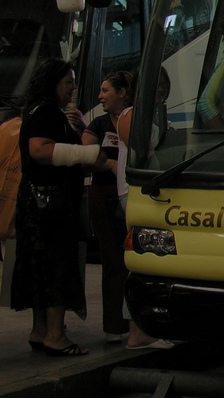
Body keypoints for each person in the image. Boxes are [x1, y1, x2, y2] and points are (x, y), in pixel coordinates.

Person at [10, 59, 106, 357]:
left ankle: (40, 331)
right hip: (51, 206)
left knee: (39, 269)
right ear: (52, 83)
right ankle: (56, 335)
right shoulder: (48, 112)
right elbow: (39, 150)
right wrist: (87, 154)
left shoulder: (37, 109)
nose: (73, 87)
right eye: (68, 81)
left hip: (36, 202)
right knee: (57, 267)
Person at [114, 67, 174, 350]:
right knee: (142, 258)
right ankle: (136, 330)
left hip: (152, 194)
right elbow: (143, 151)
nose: (160, 89)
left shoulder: (156, 116)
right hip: (135, 194)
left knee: (153, 257)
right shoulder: (131, 115)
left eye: (163, 84)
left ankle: (145, 327)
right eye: (155, 84)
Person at [80, 70, 132, 344]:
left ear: (122, 93)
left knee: (136, 262)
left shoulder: (135, 119)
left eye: (105, 91)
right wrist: (110, 164)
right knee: (113, 262)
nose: (100, 96)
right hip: (104, 199)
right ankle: (114, 327)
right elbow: (87, 155)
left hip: (133, 199)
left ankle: (139, 324)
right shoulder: (98, 124)